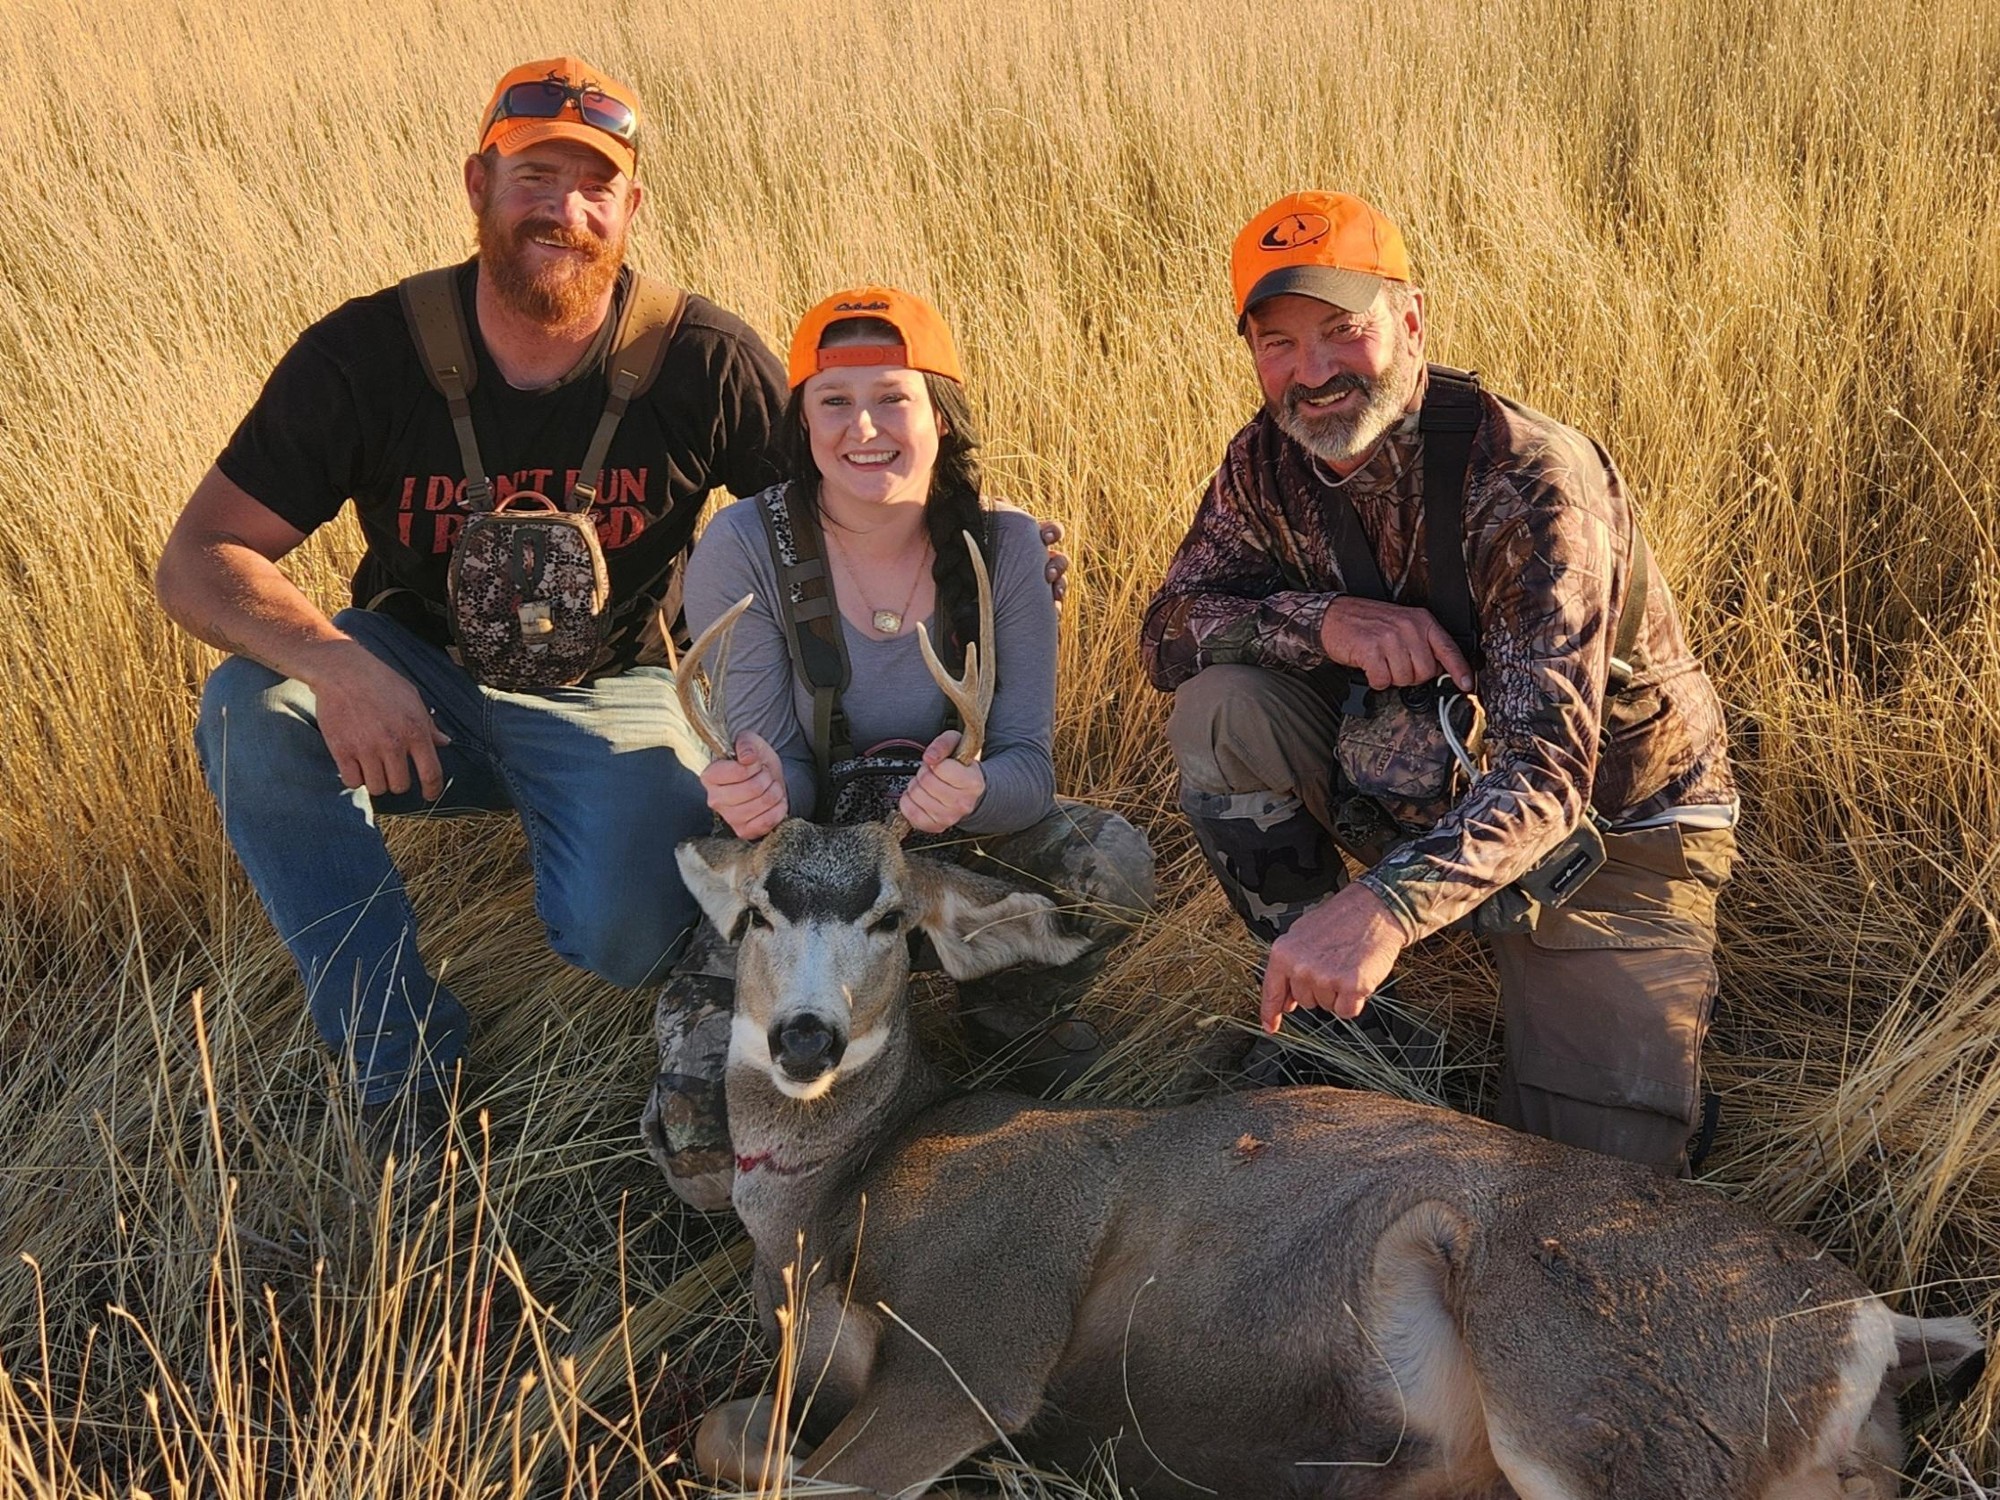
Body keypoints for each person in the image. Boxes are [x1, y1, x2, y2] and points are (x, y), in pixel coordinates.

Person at [153, 57, 791, 1156]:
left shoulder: (702, 360)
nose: (564, 209)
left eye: (595, 185)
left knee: (630, 934)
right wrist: (338, 666)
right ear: (477, 184)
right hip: (411, 680)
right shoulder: (368, 352)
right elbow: (200, 556)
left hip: (619, 687)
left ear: (632, 207)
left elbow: (829, 530)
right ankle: (400, 1069)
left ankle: (594, 852)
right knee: (249, 714)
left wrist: (991, 547)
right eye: (534, 175)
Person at [1143, 191, 1737, 1175]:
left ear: (1411, 320)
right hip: (1415, 783)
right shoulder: (1263, 462)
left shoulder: (1530, 481)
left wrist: (1380, 907)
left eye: (1343, 331)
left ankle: (1612, 1043)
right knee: (1220, 708)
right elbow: (1167, 634)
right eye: (1279, 343)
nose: (1313, 372)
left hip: (1611, 833)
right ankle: (1351, 1031)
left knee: (1586, 1187)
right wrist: (1324, 622)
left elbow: (1548, 777)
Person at [643, 286, 1156, 1211]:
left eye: (893, 398)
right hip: (803, 883)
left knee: (1106, 864)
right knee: (705, 1163)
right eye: (834, 401)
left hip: (943, 863)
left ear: (940, 415)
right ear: (802, 422)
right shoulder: (746, 543)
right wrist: (759, 794)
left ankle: (1000, 1021)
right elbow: (786, 785)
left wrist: (972, 794)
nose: (865, 427)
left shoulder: (1002, 548)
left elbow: (1029, 769)